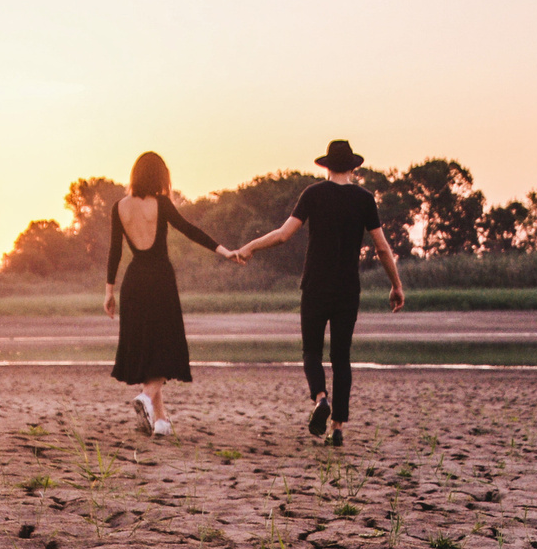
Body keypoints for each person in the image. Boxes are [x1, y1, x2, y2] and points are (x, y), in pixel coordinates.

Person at [233, 139, 407, 446]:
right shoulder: (365, 199)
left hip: (315, 285)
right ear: (354, 167)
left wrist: (250, 246)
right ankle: (337, 428)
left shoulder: (313, 194)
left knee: (311, 351)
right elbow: (381, 248)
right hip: (347, 289)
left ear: (325, 166)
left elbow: (284, 235)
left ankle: (320, 398)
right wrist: (396, 284)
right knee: (342, 359)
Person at [106, 151, 238, 436]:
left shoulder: (119, 206)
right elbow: (190, 230)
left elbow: (115, 252)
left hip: (132, 284)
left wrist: (109, 292)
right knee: (167, 347)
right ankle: (146, 396)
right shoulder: (161, 204)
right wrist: (225, 251)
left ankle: (161, 422)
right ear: (159, 177)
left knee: (148, 348)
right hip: (160, 282)